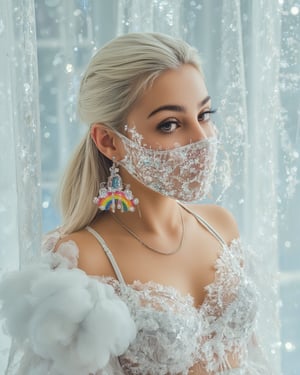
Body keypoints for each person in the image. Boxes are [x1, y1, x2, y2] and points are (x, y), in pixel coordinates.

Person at [0, 32, 271, 375]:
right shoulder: (81, 259)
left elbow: (254, 356)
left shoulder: (220, 225)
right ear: (109, 141)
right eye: (170, 124)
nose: (202, 140)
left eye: (204, 114)